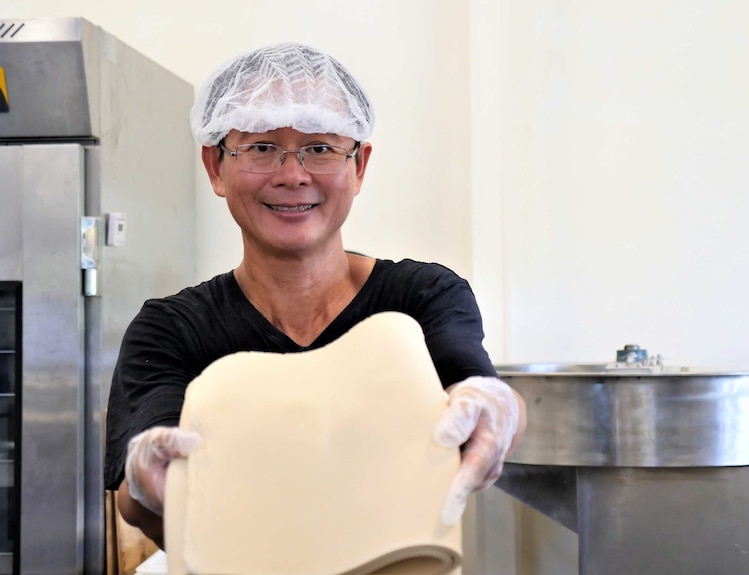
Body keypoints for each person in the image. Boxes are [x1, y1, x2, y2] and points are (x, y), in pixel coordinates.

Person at [104, 41, 527, 549]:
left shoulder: (422, 296)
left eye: (320, 148)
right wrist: (151, 484)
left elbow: (473, 383)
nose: (292, 174)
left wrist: (495, 406)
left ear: (360, 165)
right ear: (215, 167)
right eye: (261, 148)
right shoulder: (173, 327)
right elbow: (138, 491)